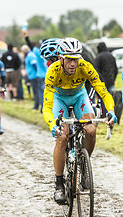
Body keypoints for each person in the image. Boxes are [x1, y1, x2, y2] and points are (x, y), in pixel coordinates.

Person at [42, 37, 117, 205]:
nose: (73, 64)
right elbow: (46, 106)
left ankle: (84, 164)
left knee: (91, 130)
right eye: (69, 59)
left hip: (79, 97)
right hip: (59, 99)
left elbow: (103, 92)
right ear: (60, 58)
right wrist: (52, 125)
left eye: (76, 59)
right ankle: (59, 184)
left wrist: (110, 110)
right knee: (62, 136)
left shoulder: (85, 67)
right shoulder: (53, 71)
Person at [22, 29, 47, 112]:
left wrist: (26, 35)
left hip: (40, 75)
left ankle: (42, 109)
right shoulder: (52, 53)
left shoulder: (39, 52)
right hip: (49, 75)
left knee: (41, 93)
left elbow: (30, 45)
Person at [21, 44, 40, 110]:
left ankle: (36, 105)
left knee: (36, 91)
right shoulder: (28, 55)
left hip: (34, 76)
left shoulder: (30, 55)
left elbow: (35, 65)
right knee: (35, 90)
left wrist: (37, 73)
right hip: (31, 75)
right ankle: (37, 104)